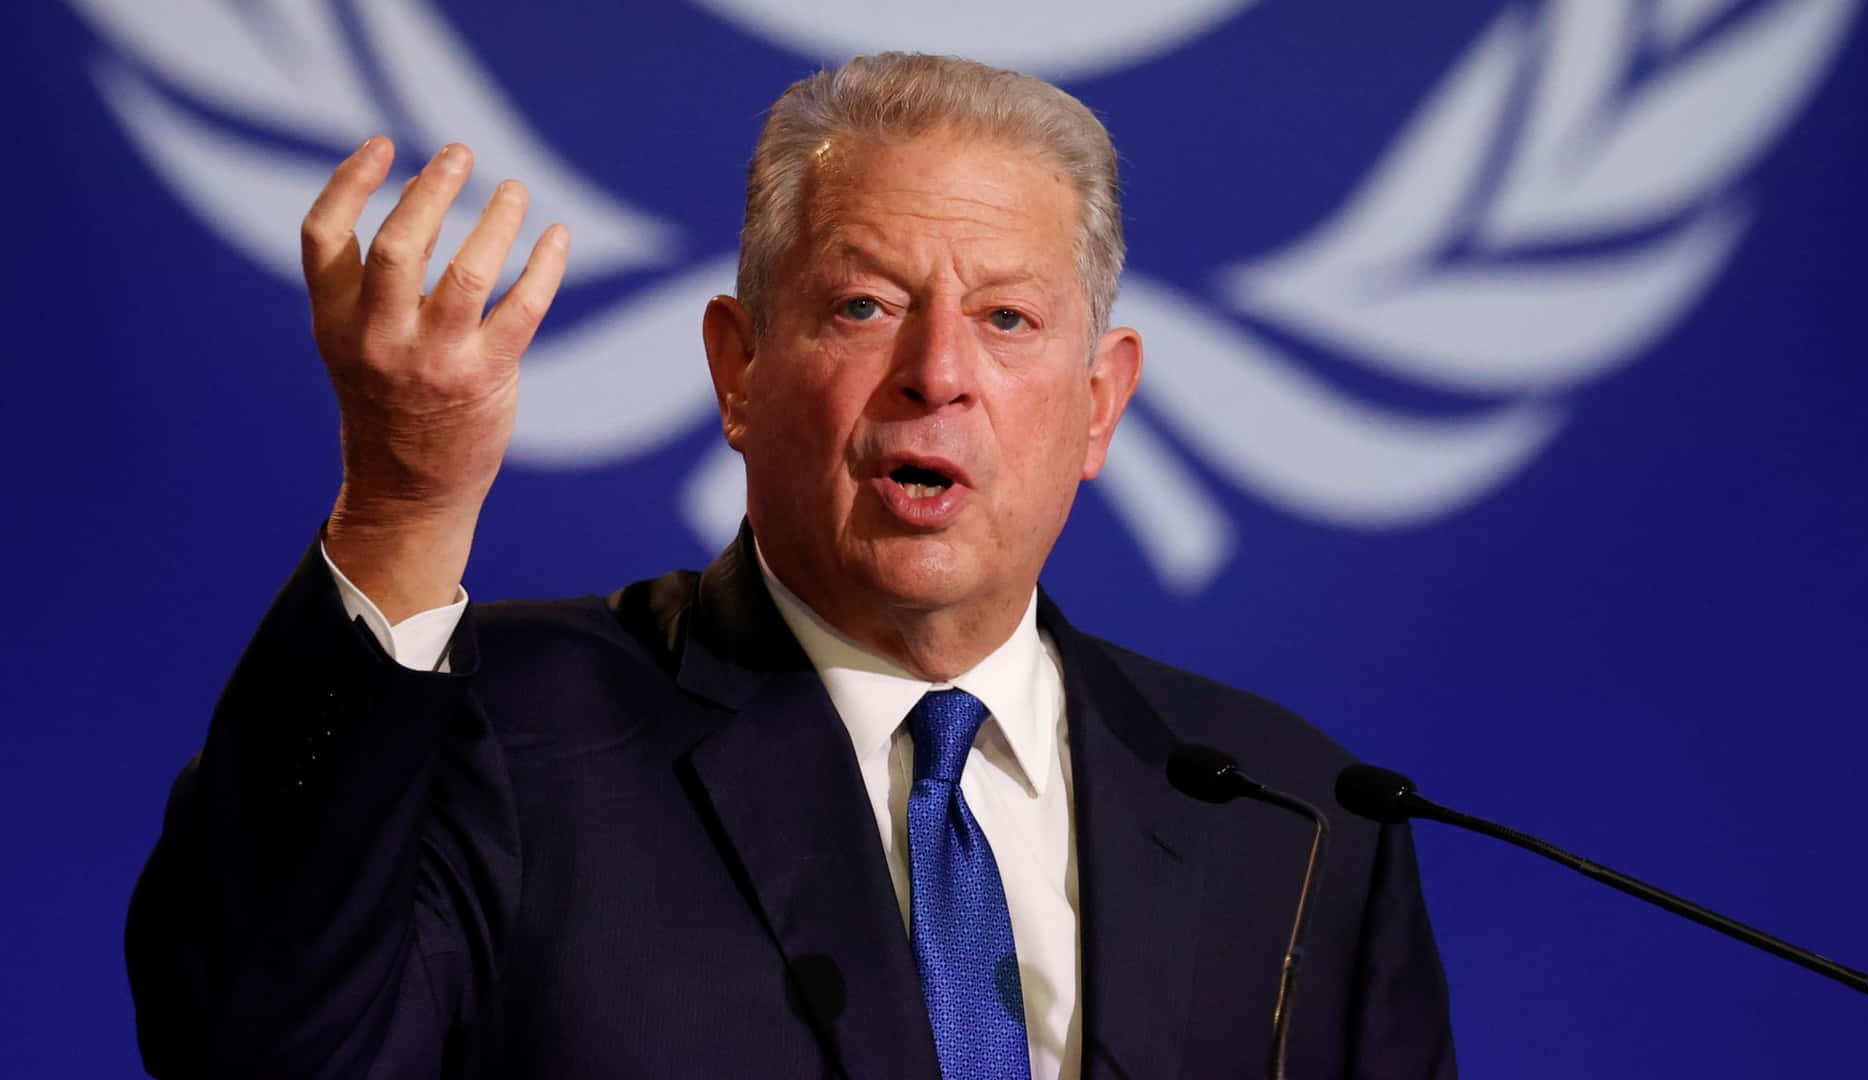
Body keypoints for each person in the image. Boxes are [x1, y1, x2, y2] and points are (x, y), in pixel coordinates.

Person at [126, 53, 1455, 1079]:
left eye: (1006, 319)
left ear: (1100, 405)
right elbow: (258, 1042)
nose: (938, 375)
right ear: (739, 369)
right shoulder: (510, 733)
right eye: (864, 304)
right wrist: (405, 503)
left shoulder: (1293, 820)